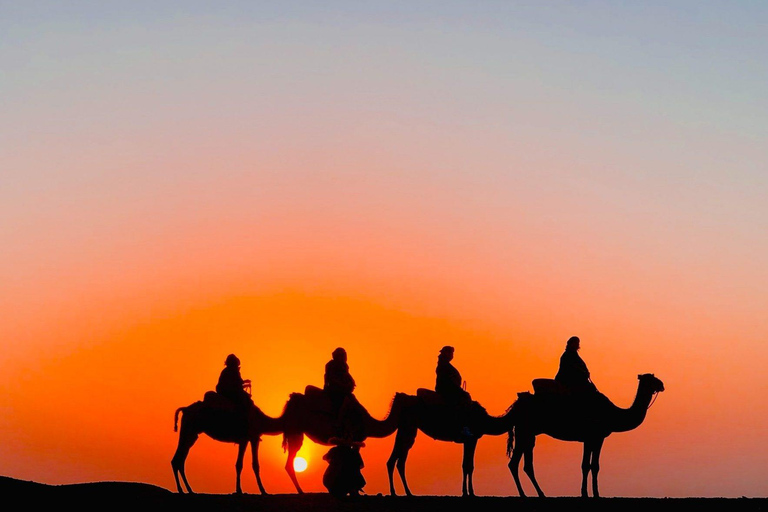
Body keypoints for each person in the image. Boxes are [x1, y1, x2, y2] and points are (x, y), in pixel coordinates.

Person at [435, 346, 473, 438]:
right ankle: (463, 428)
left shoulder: (444, 365)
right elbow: (449, 383)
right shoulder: (444, 366)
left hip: (449, 390)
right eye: (450, 353)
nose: (451, 355)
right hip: (447, 392)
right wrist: (460, 391)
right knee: (464, 403)